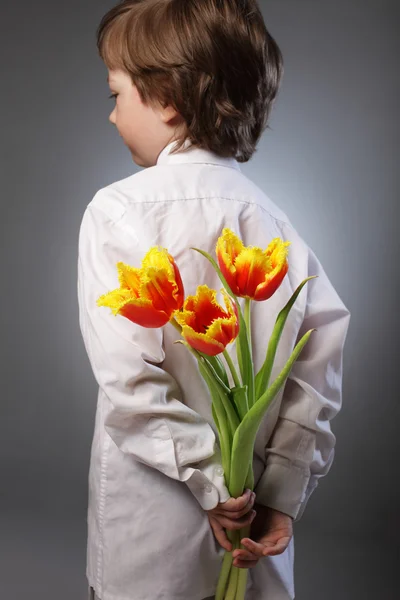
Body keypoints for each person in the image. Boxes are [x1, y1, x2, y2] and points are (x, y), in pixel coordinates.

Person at [78, 1, 351, 599]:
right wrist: (279, 497)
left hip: (151, 536)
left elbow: (130, 380)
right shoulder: (276, 223)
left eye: (115, 95)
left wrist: (211, 487)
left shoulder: (118, 210)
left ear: (167, 98)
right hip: (252, 536)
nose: (111, 115)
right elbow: (317, 373)